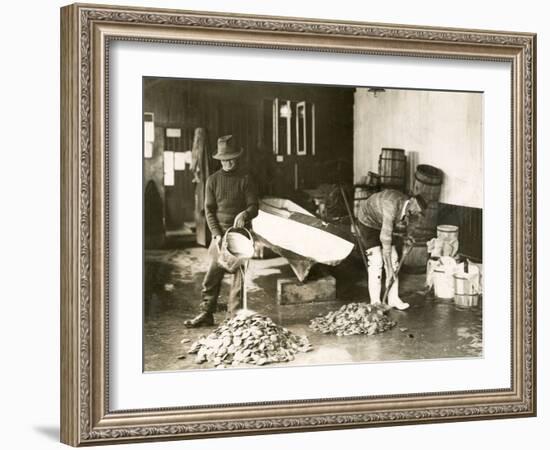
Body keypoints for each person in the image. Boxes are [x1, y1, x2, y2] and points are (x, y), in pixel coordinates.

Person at [184, 135, 259, 327]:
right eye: (224, 160)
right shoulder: (212, 181)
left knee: (238, 280)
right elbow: (208, 210)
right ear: (220, 160)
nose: (228, 163)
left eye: (231, 158)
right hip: (220, 235)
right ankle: (206, 313)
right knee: (212, 276)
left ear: (237, 157)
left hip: (240, 236)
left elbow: (254, 206)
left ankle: (234, 319)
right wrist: (216, 234)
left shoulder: (246, 179)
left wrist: (245, 213)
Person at [357, 189, 427, 310]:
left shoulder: (412, 209)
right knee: (376, 260)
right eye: (417, 210)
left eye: (419, 212)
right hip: (368, 222)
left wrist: (408, 238)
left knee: (394, 259)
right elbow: (385, 239)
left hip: (383, 222)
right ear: (412, 201)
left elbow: (411, 225)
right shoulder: (391, 204)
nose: (417, 213)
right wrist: (389, 271)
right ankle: (375, 302)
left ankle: (393, 299)